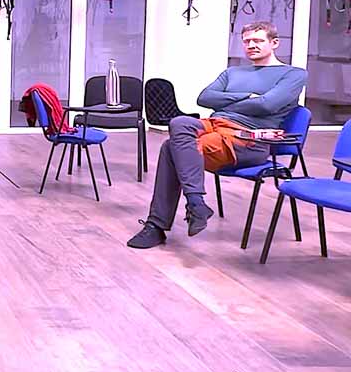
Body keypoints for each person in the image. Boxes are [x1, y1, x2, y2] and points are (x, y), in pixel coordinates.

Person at [127, 21, 306, 249]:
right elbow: (204, 98)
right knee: (179, 122)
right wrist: (247, 96)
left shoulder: (293, 74)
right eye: (247, 41)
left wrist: (228, 101)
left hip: (248, 137)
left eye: (258, 40)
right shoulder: (232, 72)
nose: (251, 45)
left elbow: (267, 105)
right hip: (214, 124)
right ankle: (196, 203)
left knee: (171, 148)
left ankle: (162, 222)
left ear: (274, 43)